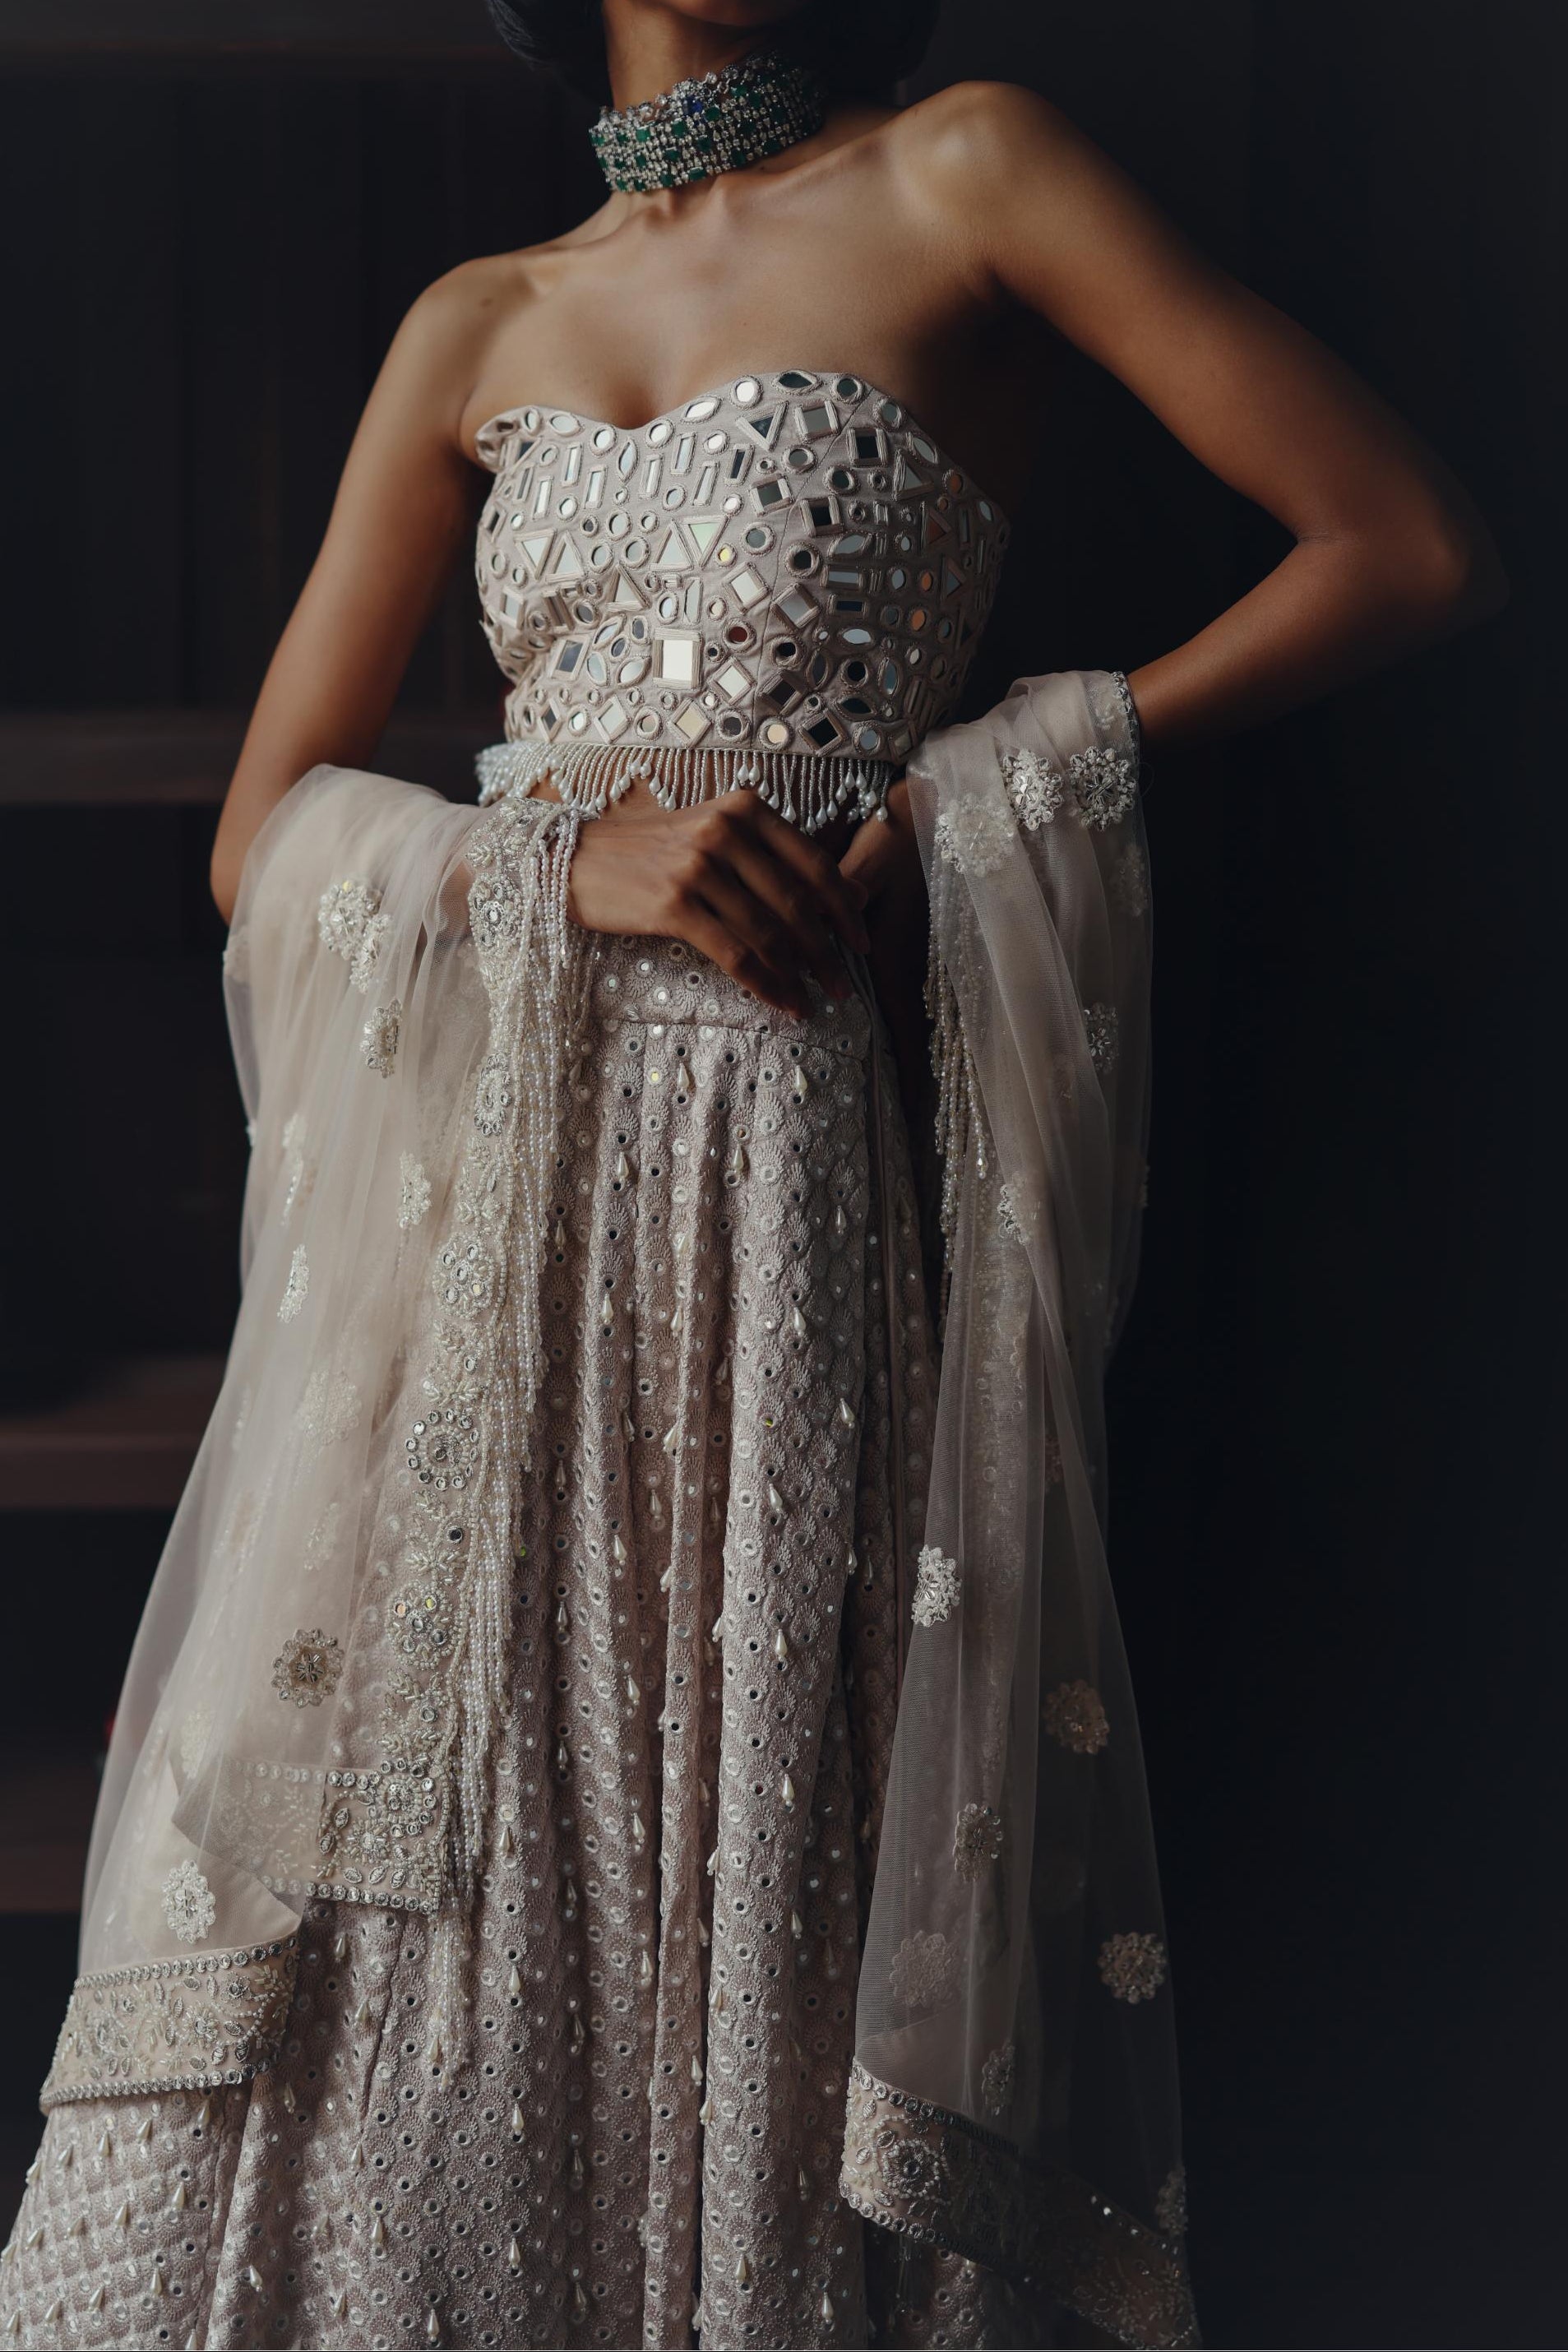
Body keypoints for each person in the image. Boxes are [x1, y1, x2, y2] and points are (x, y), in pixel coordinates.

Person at [4, 3, 1503, 2348]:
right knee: (426, 1916)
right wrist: (560, 856)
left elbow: (1400, 542)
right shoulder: (477, 321)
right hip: (479, 1219)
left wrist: (978, 788)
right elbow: (260, 834)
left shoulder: (963, 173)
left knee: (753, 1878)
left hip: (777, 1189)